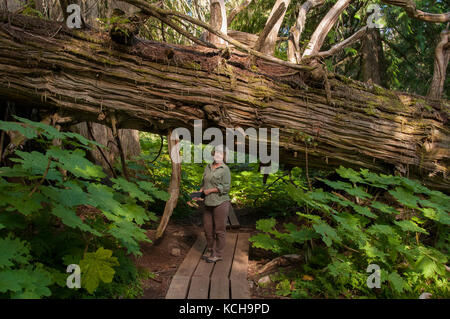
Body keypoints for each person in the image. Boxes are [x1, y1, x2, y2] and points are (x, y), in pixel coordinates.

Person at [194, 145, 231, 263]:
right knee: (207, 229)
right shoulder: (208, 167)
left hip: (220, 202)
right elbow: (204, 184)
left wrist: (210, 191)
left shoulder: (225, 169)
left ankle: (218, 254)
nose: (218, 155)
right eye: (216, 153)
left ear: (224, 156)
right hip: (208, 202)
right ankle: (210, 250)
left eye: (221, 154)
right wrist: (199, 195)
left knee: (219, 230)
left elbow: (226, 187)